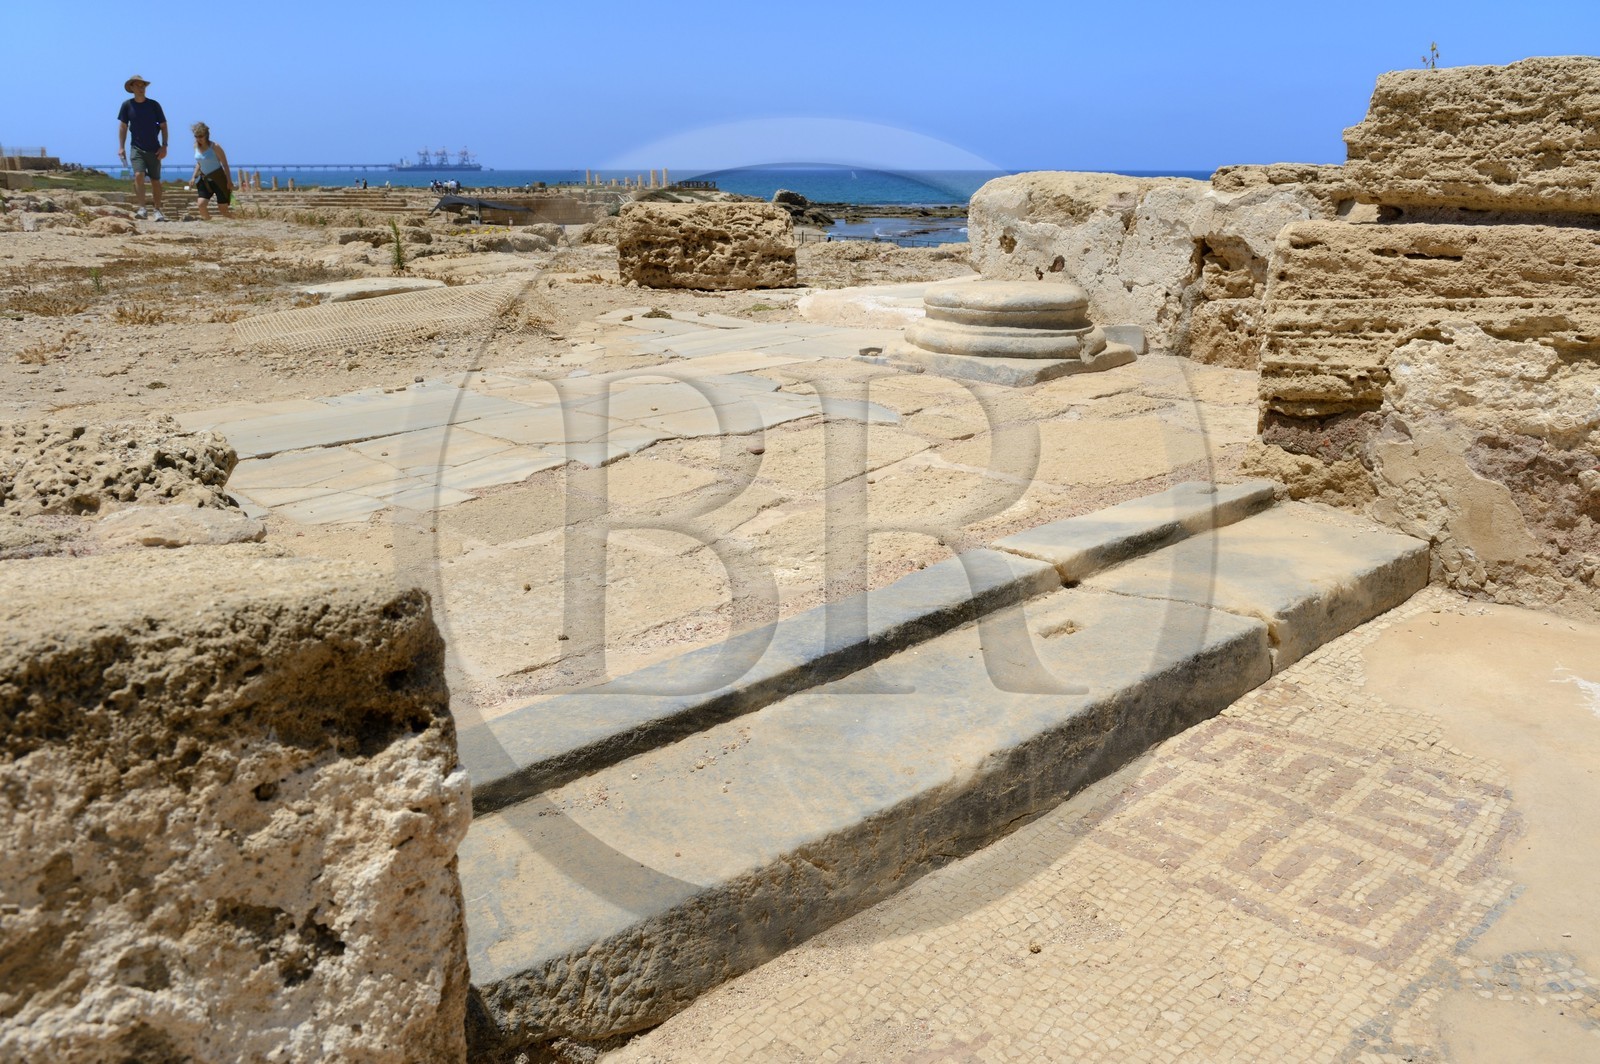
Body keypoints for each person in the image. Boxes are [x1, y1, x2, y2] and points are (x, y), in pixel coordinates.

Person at [116, 75, 168, 221]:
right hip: (136, 148)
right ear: (131, 88)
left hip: (154, 148)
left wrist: (164, 146)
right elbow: (123, 127)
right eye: (138, 85)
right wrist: (121, 147)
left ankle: (157, 210)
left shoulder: (154, 105)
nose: (141, 88)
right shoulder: (127, 105)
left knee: (155, 180)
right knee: (138, 175)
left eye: (143, 85)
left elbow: (164, 126)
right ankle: (142, 208)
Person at [188, 122, 232, 220]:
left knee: (223, 209)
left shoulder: (215, 147)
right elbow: (199, 162)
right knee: (201, 204)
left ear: (206, 135)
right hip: (204, 179)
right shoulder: (195, 146)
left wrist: (229, 181)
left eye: (200, 136)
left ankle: (237, 221)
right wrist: (193, 177)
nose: (198, 138)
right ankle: (209, 223)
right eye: (196, 136)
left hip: (218, 179)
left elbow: (225, 164)